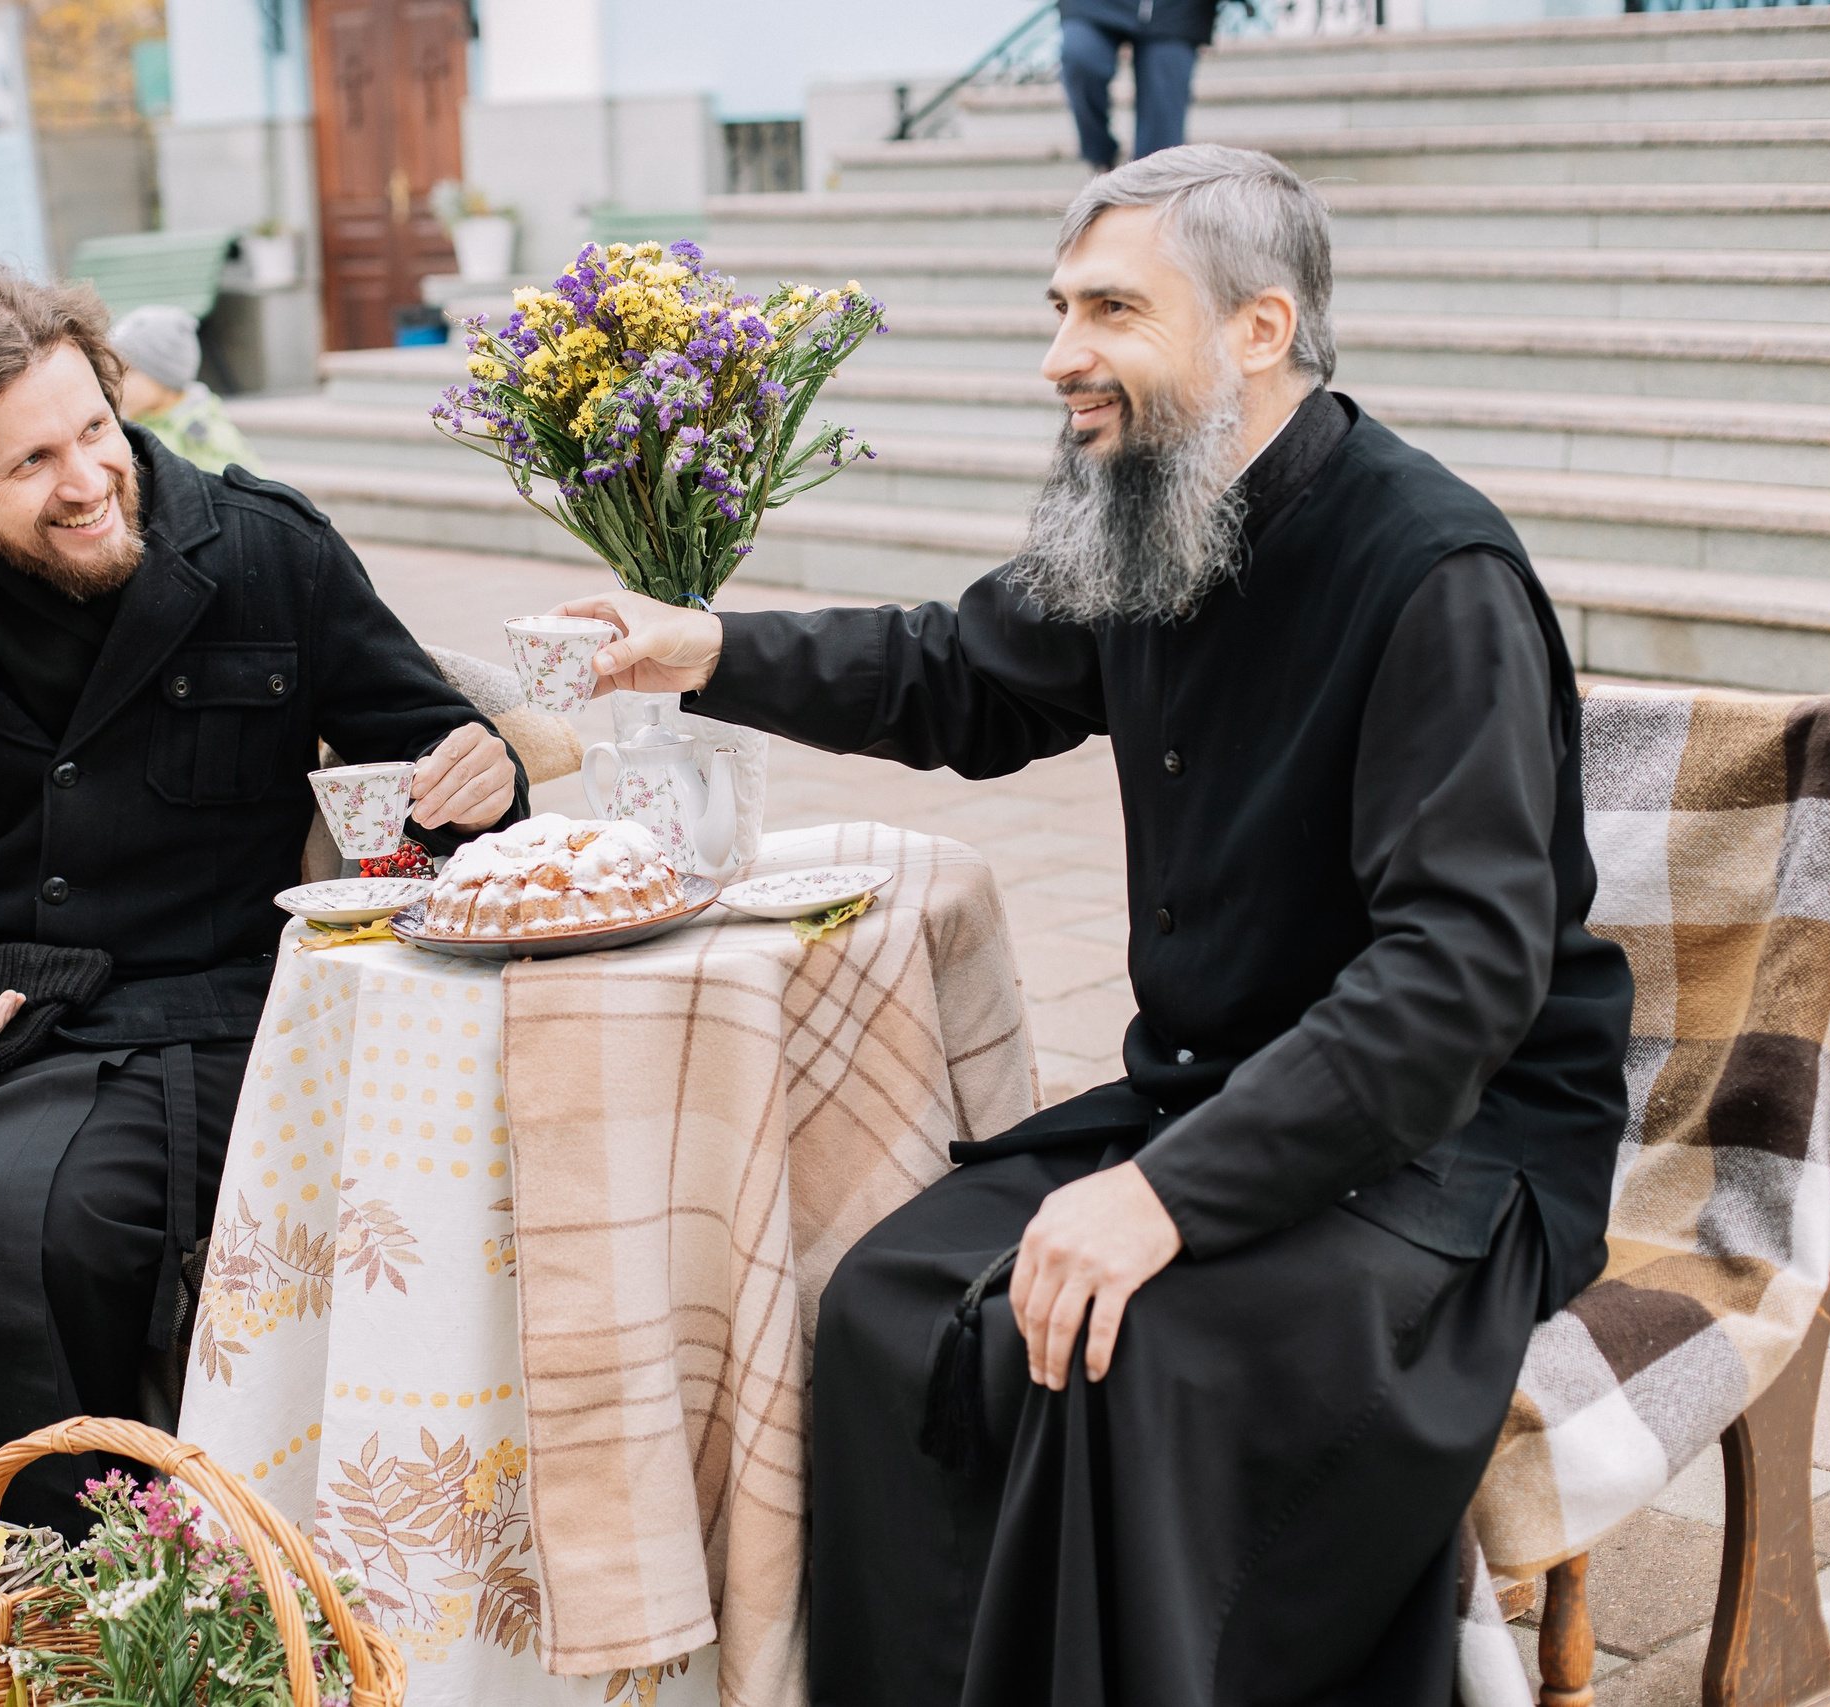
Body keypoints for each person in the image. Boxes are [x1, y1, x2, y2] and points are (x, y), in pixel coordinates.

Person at [564, 146, 1632, 1706]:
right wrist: (704, 646)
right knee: (884, 1303)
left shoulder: (1432, 571)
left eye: (1111, 308)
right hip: (1221, 1087)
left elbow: (1452, 985)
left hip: (1449, 1152)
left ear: (1259, 330)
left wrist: (1165, 1194)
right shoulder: (1167, 510)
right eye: (1061, 306)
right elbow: (960, 672)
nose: (1061, 353)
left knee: (1115, 1352)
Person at [0, 269, 524, 1528]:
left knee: (56, 1228)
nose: (85, 479)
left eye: (94, 430)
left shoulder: (265, 553)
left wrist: (489, 773)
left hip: (191, 1020)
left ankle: (54, 1579)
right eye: (29, 465)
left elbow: (447, 766)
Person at [1059, 0, 1214, 172]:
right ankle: (1099, 155)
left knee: (1161, 132)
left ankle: (1151, 183)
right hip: (1093, 6)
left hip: (1177, 10)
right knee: (1081, 56)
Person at [109, 302, 253, 474]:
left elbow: (235, 490)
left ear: (163, 375)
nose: (116, 381)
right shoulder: (138, 421)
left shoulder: (200, 436)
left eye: (128, 370)